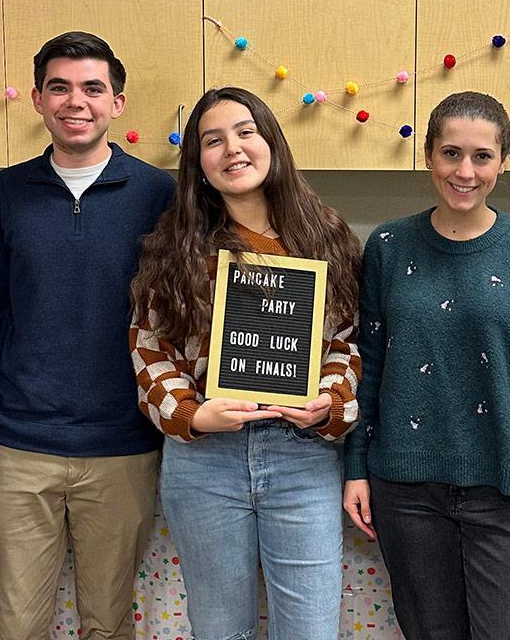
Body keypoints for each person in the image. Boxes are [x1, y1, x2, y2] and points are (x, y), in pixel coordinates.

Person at [342, 91, 510, 639]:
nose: (465, 171)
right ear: (428, 156)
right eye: (451, 154)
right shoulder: (387, 245)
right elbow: (368, 364)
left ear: (503, 161)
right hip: (406, 488)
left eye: (482, 156)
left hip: (509, 485)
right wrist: (356, 464)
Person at [0, 31, 175, 638]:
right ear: (37, 99)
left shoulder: (160, 194)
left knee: (107, 623)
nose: (75, 101)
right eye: (59, 87)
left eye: (91, 88)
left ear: (117, 103)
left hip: (123, 446)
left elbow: (183, 318)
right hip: (18, 446)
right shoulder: (7, 192)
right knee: (17, 624)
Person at [129, 86, 362, 640]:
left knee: (308, 630)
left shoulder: (326, 238)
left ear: (272, 145)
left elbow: (349, 343)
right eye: (212, 141)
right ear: (198, 166)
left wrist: (328, 403)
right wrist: (191, 415)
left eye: (245, 132)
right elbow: (148, 346)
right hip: (205, 462)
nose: (232, 149)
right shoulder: (172, 247)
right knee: (220, 630)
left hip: (302, 457)